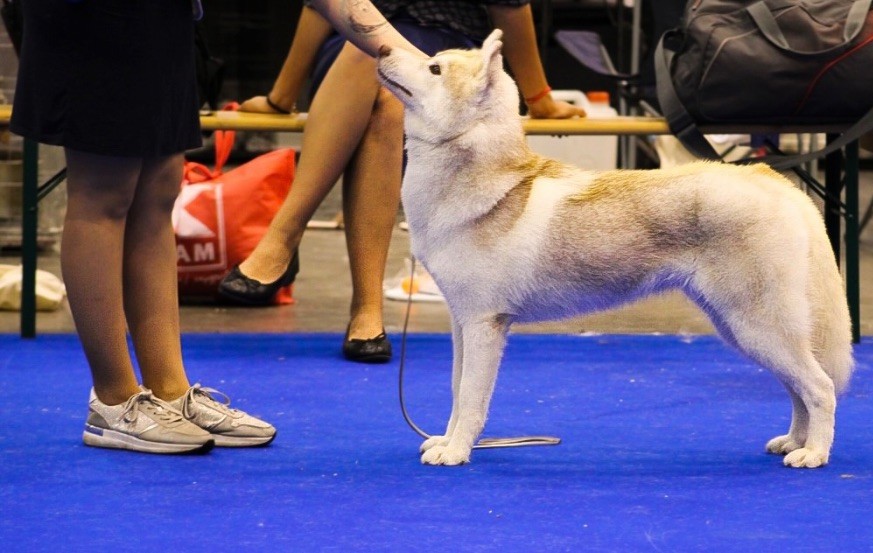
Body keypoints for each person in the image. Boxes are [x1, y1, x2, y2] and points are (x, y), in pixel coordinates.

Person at [218, 0, 585, 363]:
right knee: (368, 52)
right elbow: (322, 4)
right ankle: (364, 309)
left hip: (448, 57)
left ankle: (286, 239)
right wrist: (282, 96)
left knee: (384, 86)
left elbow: (510, 7)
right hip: (349, 62)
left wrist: (540, 100)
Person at [10, 0, 276, 454]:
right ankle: (113, 400)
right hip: (93, 17)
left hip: (161, 16)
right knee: (103, 192)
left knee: (159, 191)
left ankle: (170, 390)